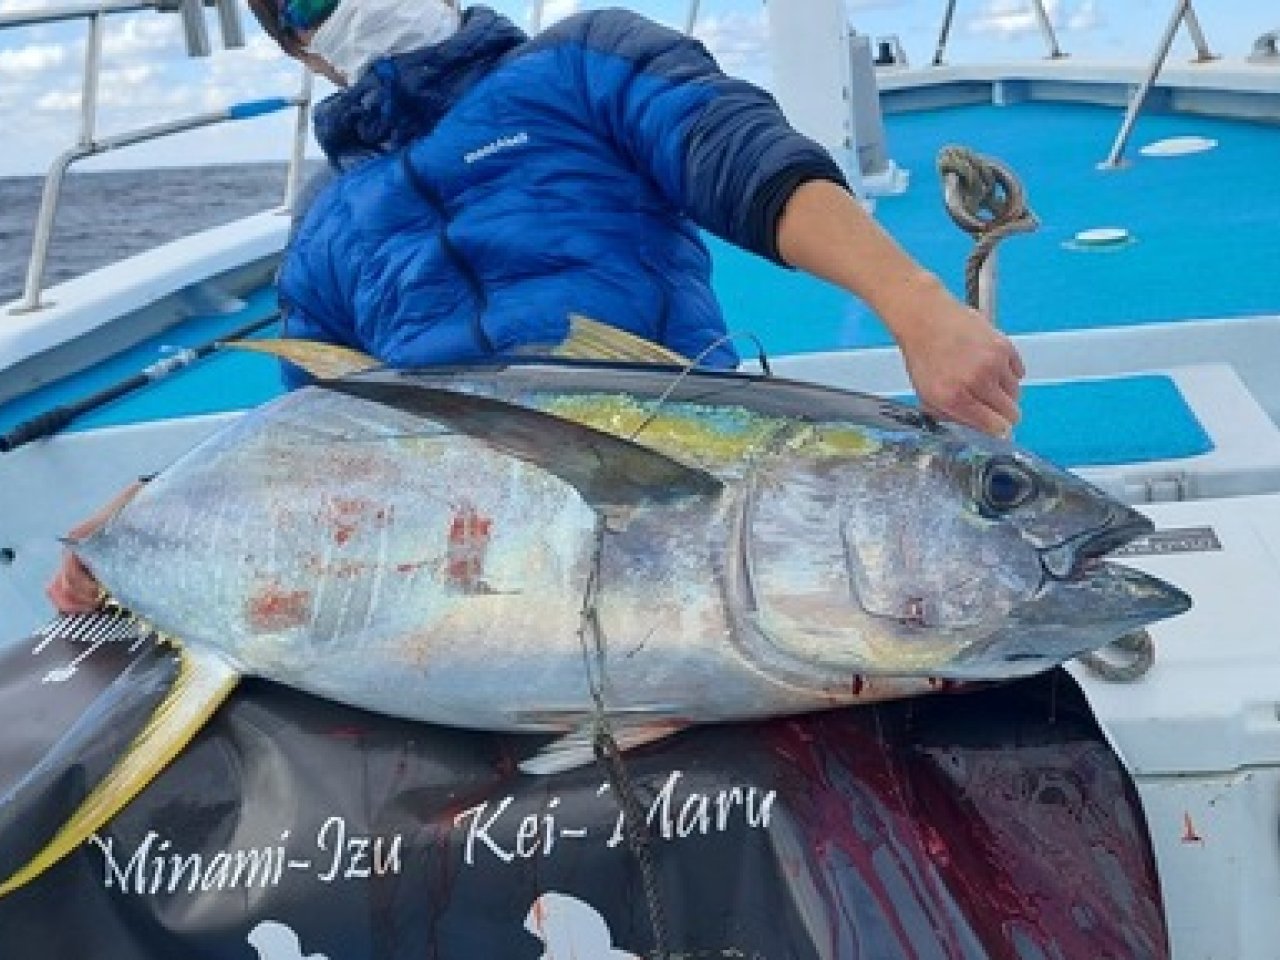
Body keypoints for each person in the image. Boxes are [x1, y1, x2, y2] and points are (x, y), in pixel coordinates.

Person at [46, 0, 1024, 614]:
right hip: (470, 571)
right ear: (302, 52)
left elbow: (741, 156)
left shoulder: (581, 61)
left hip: (676, 498)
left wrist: (915, 304)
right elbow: (307, 434)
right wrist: (149, 516)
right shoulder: (323, 228)